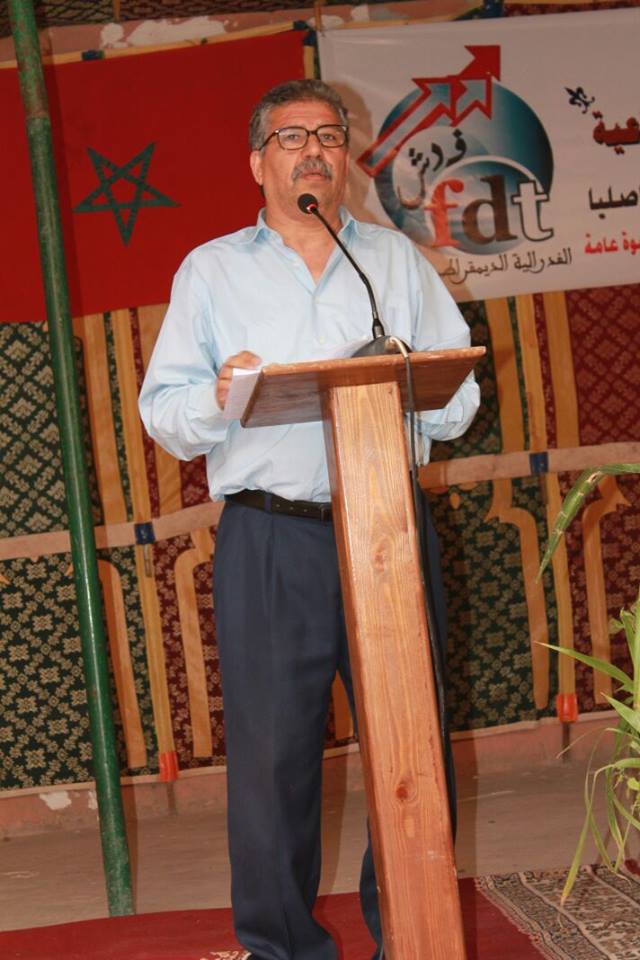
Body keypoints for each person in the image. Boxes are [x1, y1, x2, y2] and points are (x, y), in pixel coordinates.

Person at [139, 78, 479, 960]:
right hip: (270, 538)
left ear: (345, 159)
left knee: (412, 744)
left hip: (387, 528)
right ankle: (283, 948)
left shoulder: (393, 260)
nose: (314, 152)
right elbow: (163, 414)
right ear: (258, 163)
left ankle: (411, 936)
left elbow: (459, 397)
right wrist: (220, 395)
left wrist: (421, 381)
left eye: (328, 136)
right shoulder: (212, 271)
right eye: (291, 138)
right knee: (271, 760)